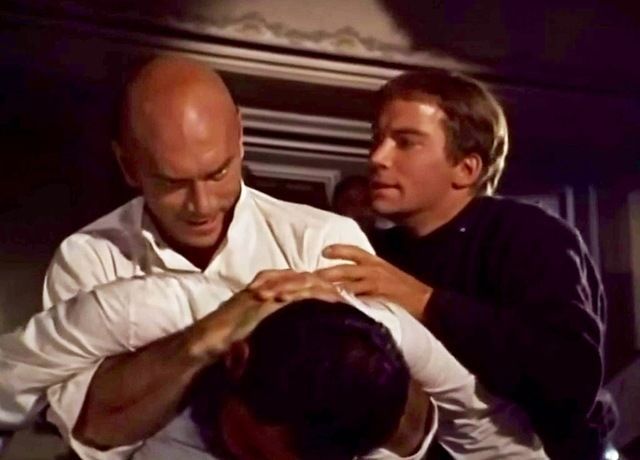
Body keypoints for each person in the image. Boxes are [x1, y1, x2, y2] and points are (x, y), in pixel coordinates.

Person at [317, 69, 616, 459]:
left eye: (405, 142)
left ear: (466, 168)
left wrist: (426, 302)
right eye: (377, 140)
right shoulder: (377, 249)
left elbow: (569, 376)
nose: (377, 158)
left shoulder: (531, 235)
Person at [1, 271, 547, 459]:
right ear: (237, 361)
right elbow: (9, 379)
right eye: (257, 453)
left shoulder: (394, 341)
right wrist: (197, 345)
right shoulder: (149, 311)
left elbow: (495, 436)